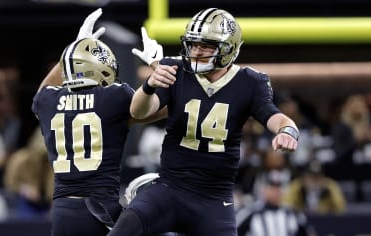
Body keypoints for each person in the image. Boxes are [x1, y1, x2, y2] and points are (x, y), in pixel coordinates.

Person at [108, 8, 299, 236]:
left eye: (206, 45)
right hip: (169, 188)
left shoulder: (250, 82)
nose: (197, 51)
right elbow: (138, 112)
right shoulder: (176, 69)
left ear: (229, 49)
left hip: (213, 200)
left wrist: (287, 130)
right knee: (123, 229)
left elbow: (274, 116)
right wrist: (149, 84)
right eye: (193, 44)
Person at [31, 8, 167, 236]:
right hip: (101, 209)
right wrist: (159, 67)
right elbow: (167, 106)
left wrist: (74, 48)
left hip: (63, 211)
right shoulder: (114, 97)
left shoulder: (48, 100)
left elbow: (42, 90)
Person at [236, 170, 316, 236]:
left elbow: (309, 232)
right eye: (272, 187)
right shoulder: (250, 212)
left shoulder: (292, 213)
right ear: (264, 189)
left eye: (278, 188)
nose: (275, 191)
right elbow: (233, 230)